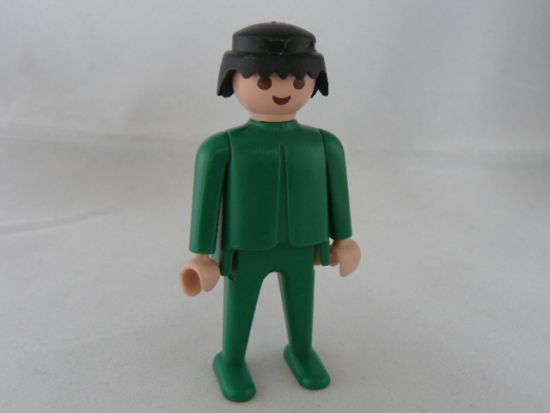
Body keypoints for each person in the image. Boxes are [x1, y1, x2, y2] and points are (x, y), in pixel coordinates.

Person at [180, 22, 361, 402]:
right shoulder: (222, 147)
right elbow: (206, 201)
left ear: (314, 83)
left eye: (298, 81)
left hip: (304, 243)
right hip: (246, 247)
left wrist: (344, 239)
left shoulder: (324, 145)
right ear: (232, 80)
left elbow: (337, 193)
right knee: (241, 305)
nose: (283, 91)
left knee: (302, 302)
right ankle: (232, 359)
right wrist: (201, 256)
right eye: (264, 82)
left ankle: (301, 351)